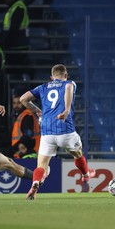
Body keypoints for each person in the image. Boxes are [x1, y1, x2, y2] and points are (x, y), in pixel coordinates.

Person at [20, 64, 95, 200]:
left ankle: (36, 182)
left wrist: (37, 110)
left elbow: (23, 99)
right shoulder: (69, 83)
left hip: (47, 132)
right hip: (65, 129)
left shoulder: (42, 87)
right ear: (66, 75)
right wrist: (66, 111)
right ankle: (85, 175)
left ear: (51, 78)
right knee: (78, 154)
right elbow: (68, 88)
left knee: (41, 166)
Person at [10, 89, 40, 158]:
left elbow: (27, 136)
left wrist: (11, 150)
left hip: (29, 154)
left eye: (18, 103)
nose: (16, 106)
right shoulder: (20, 116)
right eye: (14, 103)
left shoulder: (27, 116)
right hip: (25, 154)